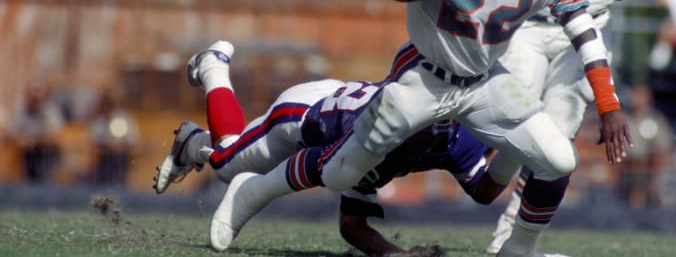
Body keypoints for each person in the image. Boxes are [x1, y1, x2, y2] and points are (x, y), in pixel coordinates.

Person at [198, 0, 631, 257]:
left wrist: (608, 105)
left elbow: (583, 28)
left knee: (559, 159)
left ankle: (517, 250)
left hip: (486, 82)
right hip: (424, 76)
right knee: (339, 175)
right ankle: (252, 191)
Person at [484, 0, 665, 252]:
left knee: (556, 136)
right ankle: (478, 181)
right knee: (515, 117)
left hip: (585, 29)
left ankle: (511, 239)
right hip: (526, 23)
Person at [154, 48, 491, 256]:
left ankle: (193, 143)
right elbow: (315, 165)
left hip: (337, 115)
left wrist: (395, 254)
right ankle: (213, 67)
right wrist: (259, 191)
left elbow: (352, 225)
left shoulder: (458, 138)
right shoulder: (377, 130)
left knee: (226, 156)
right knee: (227, 165)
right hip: (302, 116)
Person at [10, 83, 64, 182]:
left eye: (37, 100)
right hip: (26, 153)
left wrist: (33, 139)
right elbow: (13, 132)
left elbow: (53, 136)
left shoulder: (50, 112)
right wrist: (21, 139)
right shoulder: (21, 112)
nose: (34, 102)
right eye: (32, 99)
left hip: (47, 153)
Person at [88, 89, 140, 186]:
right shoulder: (98, 121)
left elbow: (133, 141)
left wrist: (120, 146)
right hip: (103, 159)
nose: (107, 108)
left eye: (109, 105)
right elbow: (93, 142)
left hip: (120, 158)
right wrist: (106, 145)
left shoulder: (124, 119)